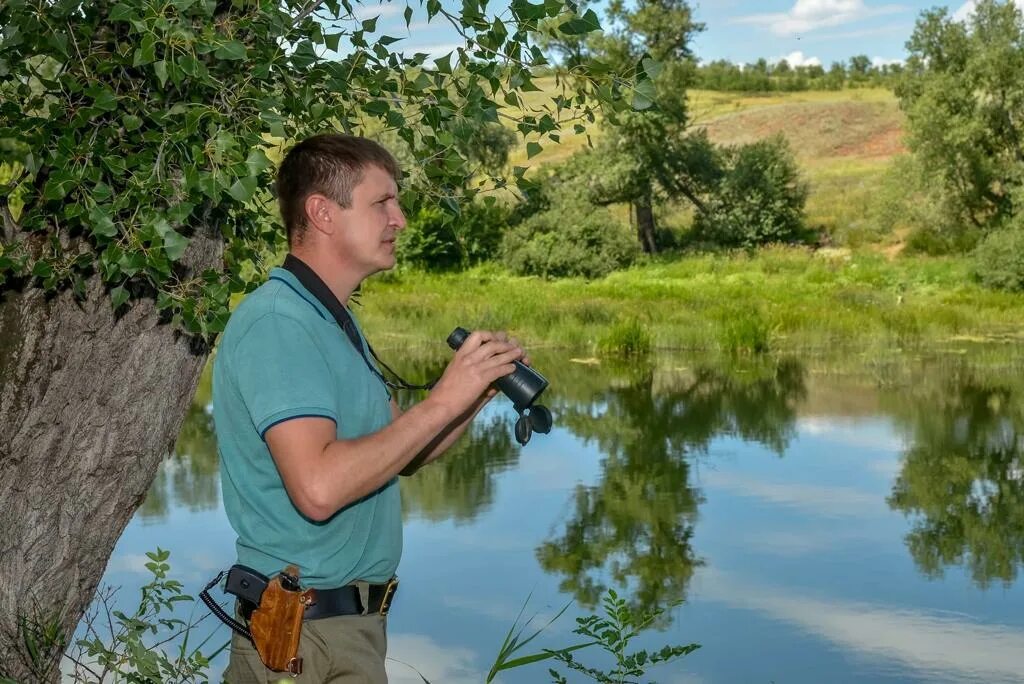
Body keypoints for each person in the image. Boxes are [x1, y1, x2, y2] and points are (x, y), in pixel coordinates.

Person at [212, 133, 527, 682]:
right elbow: (319, 489)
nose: (399, 219)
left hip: (346, 634)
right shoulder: (279, 324)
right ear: (322, 213)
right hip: (297, 642)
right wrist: (444, 398)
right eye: (382, 202)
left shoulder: (332, 319)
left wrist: (477, 391)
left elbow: (398, 454)